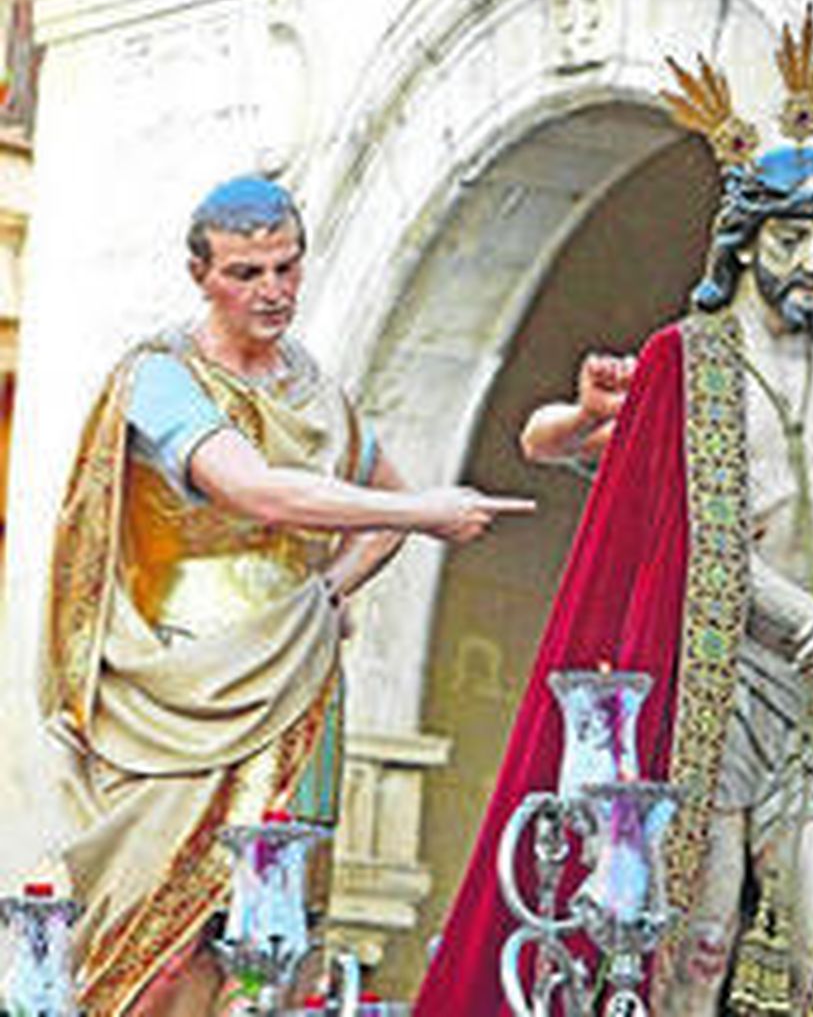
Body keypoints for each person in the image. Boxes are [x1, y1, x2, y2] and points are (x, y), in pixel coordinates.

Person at [419, 11, 813, 1016]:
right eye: (792, 237)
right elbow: (704, 545)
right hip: (714, 685)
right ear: (745, 240)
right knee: (694, 941)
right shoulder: (686, 366)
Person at [39, 176, 538, 1016]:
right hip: (181, 674)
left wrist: (330, 592)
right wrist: (423, 513)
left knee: (275, 924)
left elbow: (374, 501)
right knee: (153, 927)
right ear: (201, 274)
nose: (271, 290)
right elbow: (260, 491)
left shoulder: (318, 392)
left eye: (285, 267)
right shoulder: (162, 378)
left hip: (299, 674)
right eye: (246, 272)